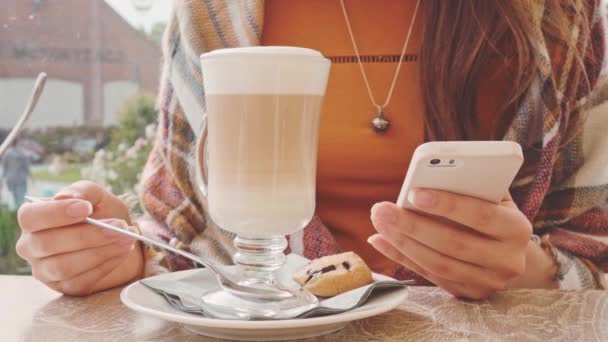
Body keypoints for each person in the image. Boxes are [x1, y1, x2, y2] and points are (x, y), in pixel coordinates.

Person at [16, 0, 608, 298]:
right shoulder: (214, 16)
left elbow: (596, 249)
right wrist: (118, 252)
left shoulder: (560, 21)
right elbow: (181, 234)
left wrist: (530, 271)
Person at [1, 139, 31, 209]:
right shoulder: (22, 153)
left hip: (10, 179)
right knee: (20, 198)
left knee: (13, 197)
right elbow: (26, 166)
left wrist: (2, 179)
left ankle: (15, 212)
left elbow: (4, 167)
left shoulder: (7, 153)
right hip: (20, 179)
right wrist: (30, 176)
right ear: (18, 143)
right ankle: (19, 213)